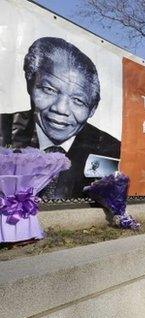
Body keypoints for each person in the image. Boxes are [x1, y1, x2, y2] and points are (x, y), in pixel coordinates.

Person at [0, 37, 120, 199]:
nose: (61, 109)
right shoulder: (4, 129)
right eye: (49, 89)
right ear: (30, 84)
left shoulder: (108, 148)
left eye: (78, 100)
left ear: (92, 109)